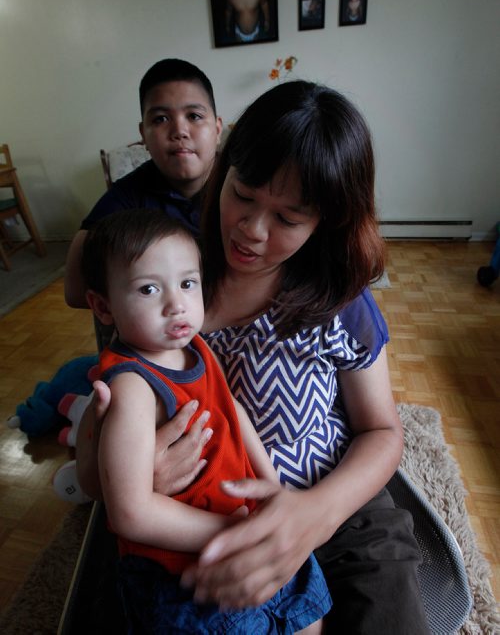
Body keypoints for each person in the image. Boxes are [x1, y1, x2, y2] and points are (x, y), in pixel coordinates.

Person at [78, 81, 430, 633]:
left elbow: (383, 431)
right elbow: (106, 469)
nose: (252, 229)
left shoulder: (336, 296)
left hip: (334, 506)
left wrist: (314, 515)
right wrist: (139, 475)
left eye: (288, 219)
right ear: (224, 169)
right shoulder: (169, 277)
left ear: (325, 223)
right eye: (243, 194)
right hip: (196, 513)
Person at [81, 207, 330, 633]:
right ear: (103, 307)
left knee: (308, 608)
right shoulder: (132, 388)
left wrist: (272, 486)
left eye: (187, 283)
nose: (175, 304)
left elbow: (232, 409)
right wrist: (231, 531)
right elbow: (130, 512)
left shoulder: (196, 346)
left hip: (241, 522)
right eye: (147, 290)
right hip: (182, 570)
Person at [64, 58, 223, 309]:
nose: (179, 131)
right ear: (143, 135)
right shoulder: (128, 197)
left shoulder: (245, 184)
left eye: (194, 116)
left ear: (217, 129)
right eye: (160, 119)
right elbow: (75, 290)